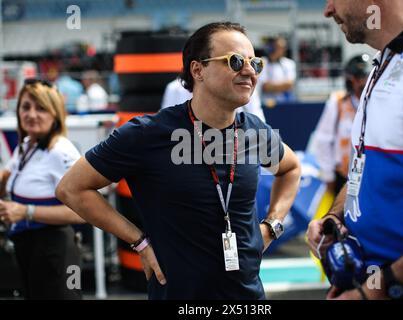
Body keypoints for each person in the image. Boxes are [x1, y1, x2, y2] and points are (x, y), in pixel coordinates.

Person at [56, 22, 301, 300]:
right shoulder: (149, 134)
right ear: (198, 70)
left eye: (254, 63)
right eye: (235, 61)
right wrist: (139, 242)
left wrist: (272, 226)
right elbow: (72, 188)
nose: (249, 71)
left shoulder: (254, 131)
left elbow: (291, 169)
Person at [306, 0, 403, 299]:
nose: (328, 10)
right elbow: (363, 168)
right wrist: (335, 219)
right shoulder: (383, 62)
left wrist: (385, 286)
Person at [0, 79, 85, 299]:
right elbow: (7, 178)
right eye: (26, 107)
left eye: (41, 108)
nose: (32, 114)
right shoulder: (27, 145)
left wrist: (26, 211)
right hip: (29, 249)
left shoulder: (61, 150)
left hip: (57, 251)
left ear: (55, 114)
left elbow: (82, 213)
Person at [313, 54, 371, 194]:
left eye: (367, 76)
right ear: (350, 80)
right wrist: (328, 175)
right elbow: (323, 139)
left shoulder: (379, 102)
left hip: (372, 174)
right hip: (343, 176)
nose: (364, 82)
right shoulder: (338, 102)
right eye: (360, 77)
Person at [161, 77, 267, 122]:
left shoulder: (246, 87)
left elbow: (259, 122)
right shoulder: (174, 88)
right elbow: (167, 123)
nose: (248, 70)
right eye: (228, 61)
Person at [258, 36, 297, 106]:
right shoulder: (263, 61)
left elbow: (289, 85)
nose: (280, 50)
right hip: (266, 103)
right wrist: (281, 86)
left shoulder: (289, 63)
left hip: (286, 103)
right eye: (277, 47)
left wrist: (271, 86)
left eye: (283, 48)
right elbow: (264, 86)